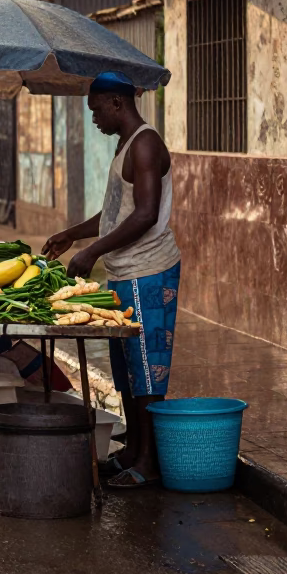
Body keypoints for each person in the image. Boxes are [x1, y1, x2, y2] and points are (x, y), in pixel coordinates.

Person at [43, 71, 181, 490]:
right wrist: (73, 234)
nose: (94, 119)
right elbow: (115, 212)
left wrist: (93, 251)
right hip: (125, 272)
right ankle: (133, 449)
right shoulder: (125, 146)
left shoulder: (145, 144)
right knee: (126, 370)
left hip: (149, 270)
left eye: (96, 109)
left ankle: (149, 463)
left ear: (117, 103)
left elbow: (144, 214)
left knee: (147, 371)